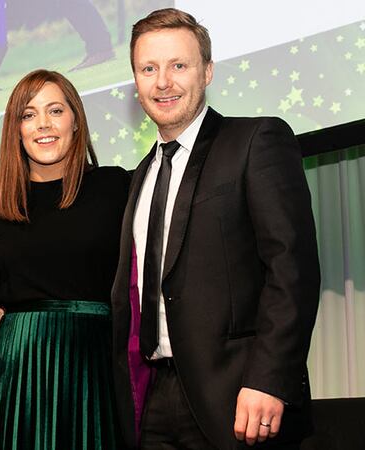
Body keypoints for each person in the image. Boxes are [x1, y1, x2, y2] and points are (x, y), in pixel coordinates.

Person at [111, 8, 320, 450]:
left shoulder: (256, 141)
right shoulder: (140, 175)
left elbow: (291, 270)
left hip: (240, 399)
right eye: (149, 69)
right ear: (136, 81)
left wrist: (269, 379)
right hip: (153, 399)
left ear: (206, 72)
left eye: (178, 65)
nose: (162, 81)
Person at [0, 69, 128, 449]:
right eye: (28, 114)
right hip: (14, 376)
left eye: (55, 110)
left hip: (94, 369)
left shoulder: (117, 187)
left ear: (75, 120)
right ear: (16, 130)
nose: (43, 124)